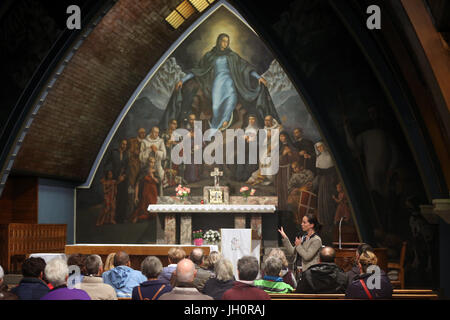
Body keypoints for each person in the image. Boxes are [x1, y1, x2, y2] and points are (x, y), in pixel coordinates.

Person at [162, 33, 280, 135]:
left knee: (231, 100)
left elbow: (245, 67)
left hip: (229, 83)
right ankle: (214, 129)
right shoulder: (210, 56)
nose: (225, 43)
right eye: (223, 41)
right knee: (216, 107)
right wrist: (182, 80)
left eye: (227, 41)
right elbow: (198, 70)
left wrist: (258, 77)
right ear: (218, 41)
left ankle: (225, 121)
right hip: (217, 84)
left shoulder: (232, 56)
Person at [278, 213, 322, 280]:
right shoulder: (303, 237)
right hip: (298, 272)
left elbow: (307, 256)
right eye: (302, 222)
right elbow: (292, 251)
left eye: (304, 222)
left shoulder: (316, 240)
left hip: (310, 274)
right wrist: (285, 237)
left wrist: (298, 245)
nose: (302, 224)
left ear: (311, 225)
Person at [313, 141, 337, 245]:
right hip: (322, 181)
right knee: (321, 200)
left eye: (321, 146)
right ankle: (322, 220)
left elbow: (332, 170)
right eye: (318, 147)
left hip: (330, 181)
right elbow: (318, 171)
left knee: (328, 200)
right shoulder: (318, 158)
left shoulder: (330, 156)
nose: (320, 148)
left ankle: (329, 221)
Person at [130, 156, 159, 223]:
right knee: (143, 209)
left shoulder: (155, 171)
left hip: (153, 193)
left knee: (153, 210)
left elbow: (158, 182)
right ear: (148, 162)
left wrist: (153, 177)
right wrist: (136, 196)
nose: (152, 164)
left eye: (153, 162)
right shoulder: (143, 171)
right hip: (145, 193)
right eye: (151, 162)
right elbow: (137, 183)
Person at [139, 126, 166, 190]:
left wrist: (156, 151)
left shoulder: (160, 141)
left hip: (157, 166)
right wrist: (149, 149)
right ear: (151, 132)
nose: (156, 134)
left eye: (157, 132)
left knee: (158, 184)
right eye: (155, 132)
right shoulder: (144, 142)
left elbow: (164, 155)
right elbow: (141, 157)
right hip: (146, 167)